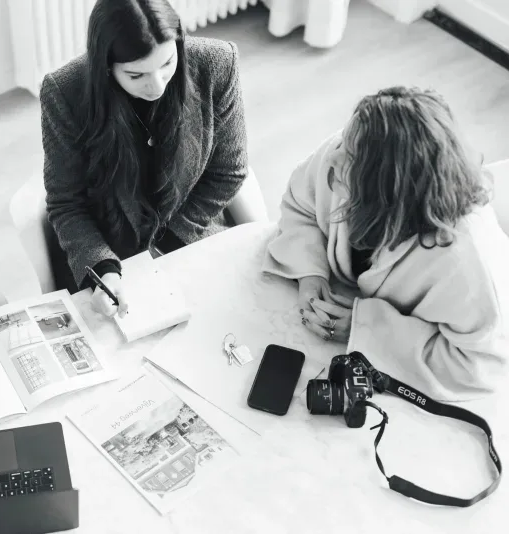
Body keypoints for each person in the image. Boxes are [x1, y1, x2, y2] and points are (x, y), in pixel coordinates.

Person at [262, 87, 509, 401]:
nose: (334, 154)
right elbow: (300, 205)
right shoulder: (340, 155)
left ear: (388, 184)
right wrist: (310, 272)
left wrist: (365, 329)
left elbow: (477, 366)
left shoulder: (464, 261)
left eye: (350, 155)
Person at [41, 0, 250, 316]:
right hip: (110, 252)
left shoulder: (217, 63)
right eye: (136, 75)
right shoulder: (65, 91)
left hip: (190, 234)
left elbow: (228, 171)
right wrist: (103, 268)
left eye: (167, 63)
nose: (157, 86)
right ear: (106, 67)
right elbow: (66, 203)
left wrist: (168, 248)